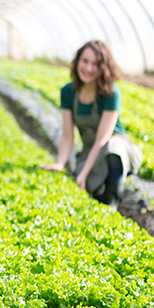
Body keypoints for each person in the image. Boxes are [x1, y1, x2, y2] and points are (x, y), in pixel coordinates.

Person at [42, 40, 142, 208]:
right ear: (77, 61)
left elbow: (102, 140)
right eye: (85, 61)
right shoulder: (68, 92)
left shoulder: (110, 92)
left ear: (103, 68)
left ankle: (111, 200)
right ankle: (98, 194)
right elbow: (67, 135)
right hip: (89, 151)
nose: (88, 68)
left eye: (95, 64)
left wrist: (84, 173)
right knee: (83, 181)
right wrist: (60, 164)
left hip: (116, 148)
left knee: (113, 147)